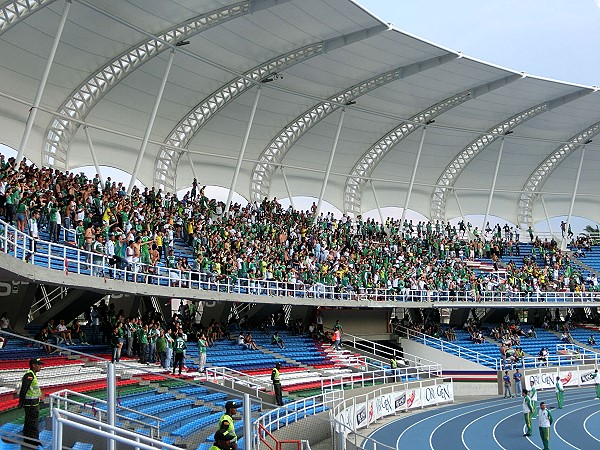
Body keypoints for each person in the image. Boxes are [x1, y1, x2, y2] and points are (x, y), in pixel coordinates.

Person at [19, 358, 44, 448]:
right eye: (39, 364)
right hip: (30, 404)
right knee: (33, 423)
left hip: (33, 403)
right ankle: (34, 442)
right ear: (34, 365)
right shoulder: (29, 375)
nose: (40, 366)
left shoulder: (32, 374)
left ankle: (28, 440)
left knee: (30, 422)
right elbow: (24, 389)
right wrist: (21, 402)